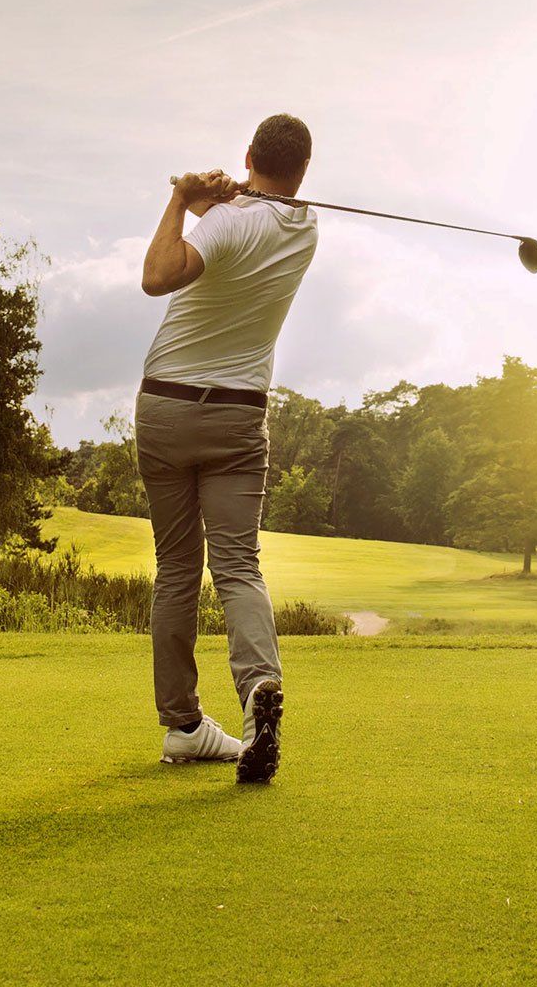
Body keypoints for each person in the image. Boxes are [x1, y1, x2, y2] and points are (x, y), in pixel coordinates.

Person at [135, 113, 318, 784]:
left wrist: (181, 198)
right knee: (238, 565)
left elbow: (159, 275)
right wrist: (214, 201)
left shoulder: (226, 221)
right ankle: (259, 686)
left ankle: (183, 726)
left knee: (177, 569)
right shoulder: (305, 228)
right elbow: (244, 223)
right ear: (304, 171)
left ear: (248, 155)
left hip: (166, 406)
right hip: (239, 416)